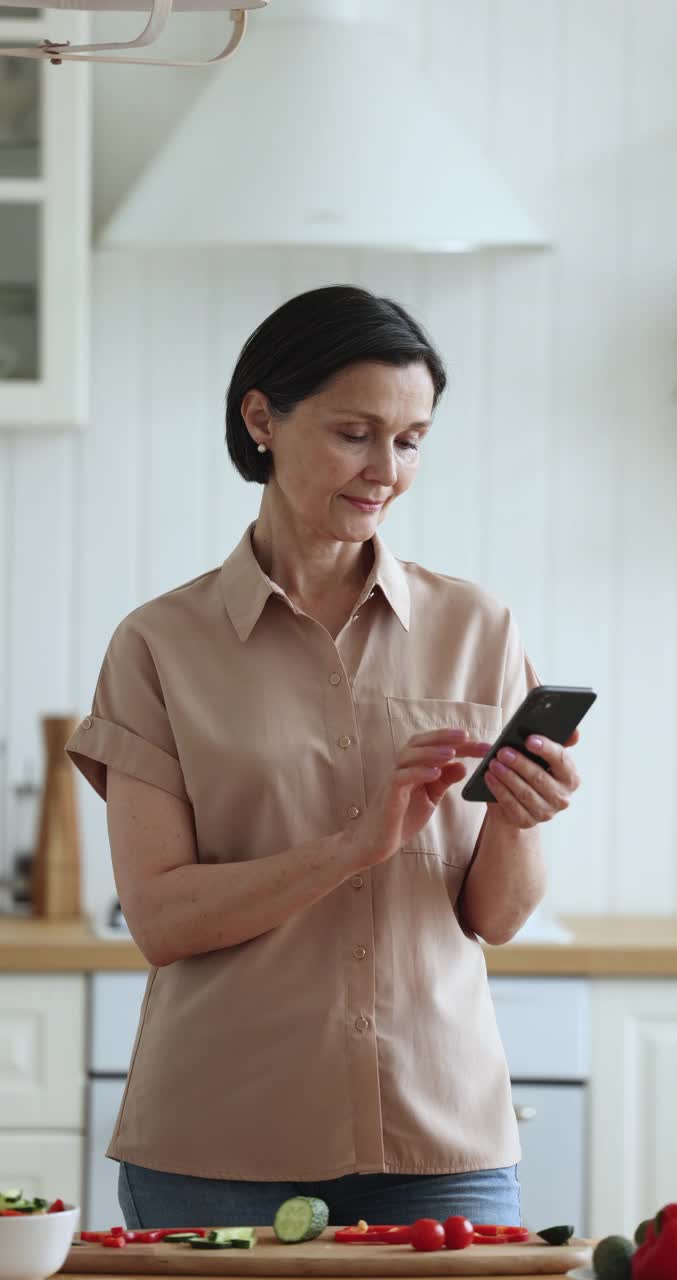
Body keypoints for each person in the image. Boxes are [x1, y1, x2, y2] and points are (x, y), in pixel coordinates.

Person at [66, 285, 581, 1232]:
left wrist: (519, 817)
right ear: (261, 417)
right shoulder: (158, 646)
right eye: (356, 432)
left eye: (412, 439)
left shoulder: (478, 627)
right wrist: (356, 844)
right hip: (216, 1145)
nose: (387, 468)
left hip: (441, 1144)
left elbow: (495, 918)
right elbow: (162, 919)